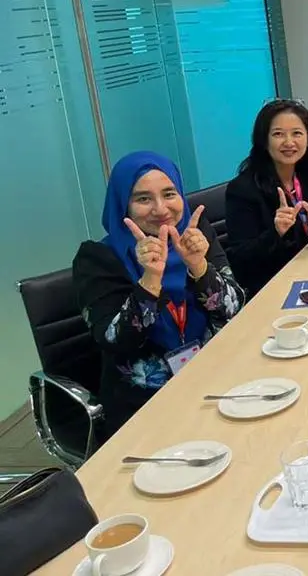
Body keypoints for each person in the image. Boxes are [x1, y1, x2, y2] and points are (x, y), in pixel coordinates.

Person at [73, 151, 244, 439]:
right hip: (146, 405)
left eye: (169, 194)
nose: (161, 208)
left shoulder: (194, 232)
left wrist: (199, 266)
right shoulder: (97, 258)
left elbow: (234, 307)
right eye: (143, 199)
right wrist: (151, 279)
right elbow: (117, 340)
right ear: (122, 205)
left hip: (214, 378)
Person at [225, 99, 308, 296]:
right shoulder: (243, 189)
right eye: (278, 134)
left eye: (297, 133)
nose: (288, 142)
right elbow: (240, 261)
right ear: (264, 140)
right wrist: (275, 232)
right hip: (275, 288)